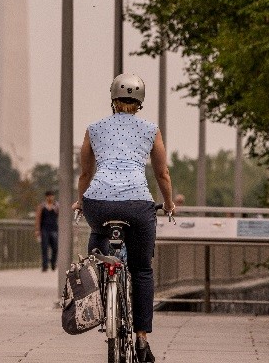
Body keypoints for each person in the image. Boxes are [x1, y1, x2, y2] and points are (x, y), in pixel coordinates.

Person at [72, 73, 175, 363]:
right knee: (142, 269)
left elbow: (85, 173)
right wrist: (168, 204)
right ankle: (141, 338)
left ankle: (101, 277)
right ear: (140, 102)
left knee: (99, 241)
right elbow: (162, 173)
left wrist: (81, 201)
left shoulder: (94, 129)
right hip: (137, 203)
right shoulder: (150, 129)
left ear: (113, 99)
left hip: (99, 202)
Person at [34, 190, 59, 271]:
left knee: (55, 247)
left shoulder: (56, 206)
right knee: (44, 247)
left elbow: (61, 216)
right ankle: (45, 265)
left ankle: (53, 263)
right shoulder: (42, 206)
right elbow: (38, 218)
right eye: (49, 196)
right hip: (44, 229)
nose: (50, 197)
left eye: (52, 196)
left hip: (54, 229)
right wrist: (37, 230)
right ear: (46, 197)